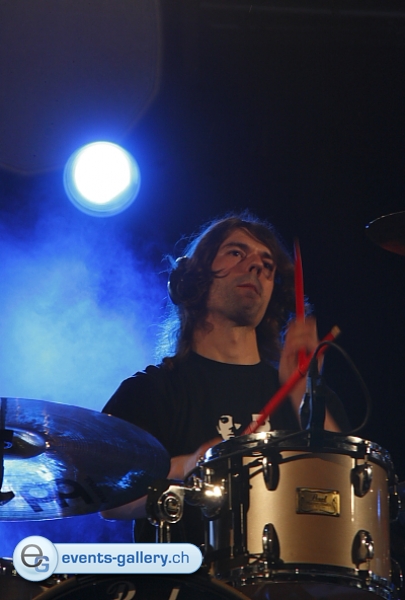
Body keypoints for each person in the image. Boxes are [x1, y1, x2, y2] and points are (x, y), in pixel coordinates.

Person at [101, 212, 349, 545]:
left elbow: (350, 493)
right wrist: (188, 466)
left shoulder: (302, 392)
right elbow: (110, 501)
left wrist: (301, 393)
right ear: (194, 278)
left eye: (267, 264)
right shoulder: (151, 390)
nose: (256, 266)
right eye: (236, 252)